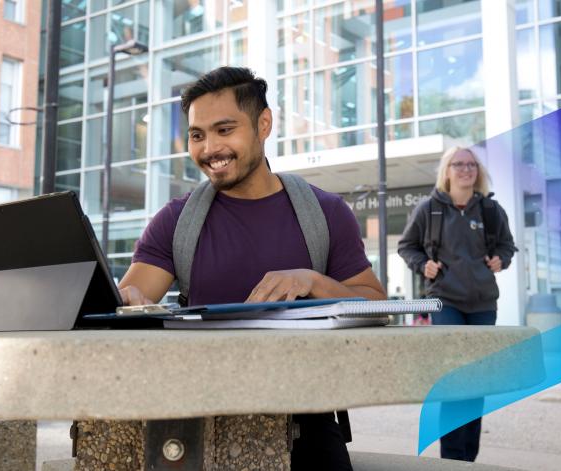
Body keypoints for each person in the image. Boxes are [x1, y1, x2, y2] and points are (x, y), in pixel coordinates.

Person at [118, 66, 385, 470]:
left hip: (306, 422)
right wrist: (126, 300)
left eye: (225, 130)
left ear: (264, 124)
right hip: (203, 417)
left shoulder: (325, 213)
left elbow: (374, 304)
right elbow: (130, 300)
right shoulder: (177, 220)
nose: (209, 148)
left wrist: (311, 281)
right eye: (197, 135)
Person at [397, 146, 517, 462]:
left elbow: (508, 245)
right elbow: (407, 246)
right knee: (454, 380)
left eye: (471, 164)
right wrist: (423, 265)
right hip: (445, 301)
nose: (465, 169)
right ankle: (451, 459)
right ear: (447, 171)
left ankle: (468, 459)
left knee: (476, 383)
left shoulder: (491, 210)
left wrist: (500, 259)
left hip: (482, 304)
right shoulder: (429, 209)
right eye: (458, 164)